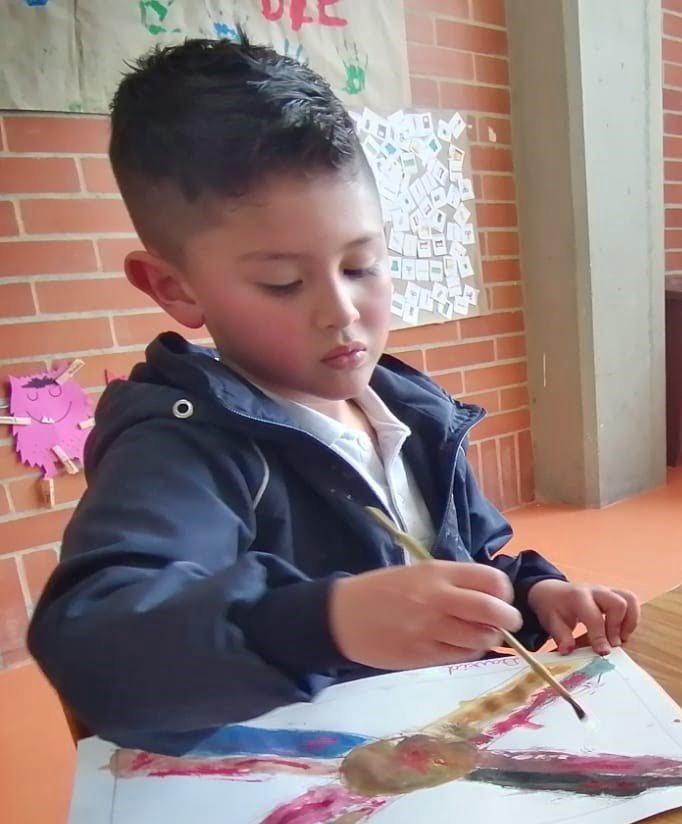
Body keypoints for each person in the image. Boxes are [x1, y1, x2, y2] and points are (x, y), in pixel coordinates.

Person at [28, 39, 638, 752]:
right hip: (298, 793)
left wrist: (532, 597)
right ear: (174, 287)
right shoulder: (180, 446)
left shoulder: (410, 412)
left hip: (442, 751)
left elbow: (460, 567)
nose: (340, 312)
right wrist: (324, 623)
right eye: (283, 283)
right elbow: (96, 650)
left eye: (361, 265)